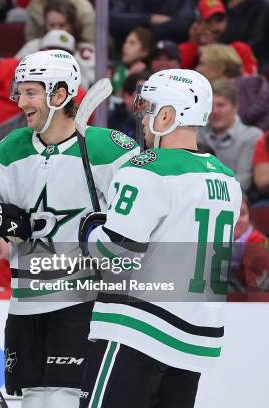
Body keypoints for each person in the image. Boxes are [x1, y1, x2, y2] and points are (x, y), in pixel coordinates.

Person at [0, 49, 140, 407]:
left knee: (63, 399)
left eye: (31, 92)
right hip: (25, 303)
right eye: (20, 91)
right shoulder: (9, 150)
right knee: (33, 399)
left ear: (59, 95)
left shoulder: (109, 150)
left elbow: (139, 223)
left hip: (84, 302)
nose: (20, 101)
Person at [78, 68, 242, 408]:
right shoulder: (228, 180)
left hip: (137, 331)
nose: (144, 118)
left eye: (149, 108)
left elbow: (115, 256)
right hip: (196, 339)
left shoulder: (146, 169)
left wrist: (90, 230)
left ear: (167, 115)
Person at [197, 79, 263, 191]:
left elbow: (243, 181)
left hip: (234, 197)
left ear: (235, 107)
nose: (215, 111)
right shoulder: (197, 132)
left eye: (221, 105)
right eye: (211, 106)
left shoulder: (251, 136)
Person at [17, 27, 95, 89]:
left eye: (63, 53)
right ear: (41, 51)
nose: (56, 56)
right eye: (52, 50)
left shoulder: (77, 81)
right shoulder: (26, 75)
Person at [109, 0, 195, 46]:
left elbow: (184, 24)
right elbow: (112, 21)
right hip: (130, 55)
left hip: (169, 54)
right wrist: (149, 18)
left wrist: (149, 32)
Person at [24, 0, 95, 44]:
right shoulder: (32, 47)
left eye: (62, 25)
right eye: (52, 25)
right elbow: (31, 37)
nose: (56, 30)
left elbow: (89, 41)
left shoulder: (84, 9)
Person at [111, 27, 153, 95]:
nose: (125, 46)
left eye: (132, 43)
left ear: (144, 51)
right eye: (126, 42)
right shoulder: (116, 70)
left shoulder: (150, 75)